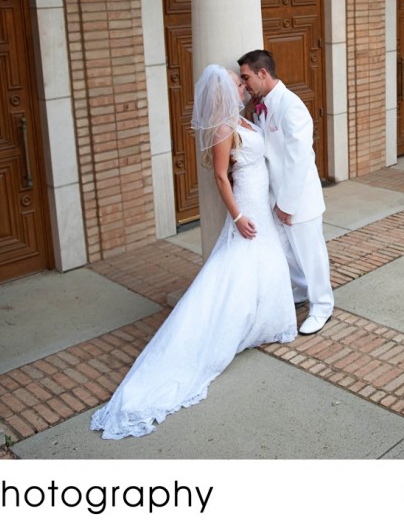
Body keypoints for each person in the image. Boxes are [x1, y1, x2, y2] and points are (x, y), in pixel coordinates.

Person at [90, 64, 297, 440]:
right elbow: (221, 175)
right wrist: (237, 217)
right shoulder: (223, 128)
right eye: (238, 83)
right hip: (246, 206)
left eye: (242, 80)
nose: (242, 86)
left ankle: (260, 323)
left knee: (263, 263)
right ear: (225, 91)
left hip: (261, 199)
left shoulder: (245, 121)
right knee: (236, 266)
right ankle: (220, 331)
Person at [238, 49, 333, 335]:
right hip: (274, 198)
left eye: (247, 78)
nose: (245, 85)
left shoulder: (291, 106)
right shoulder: (264, 105)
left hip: (298, 199)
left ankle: (322, 305)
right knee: (288, 254)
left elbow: (298, 159)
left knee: (310, 253)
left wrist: (287, 204)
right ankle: (303, 291)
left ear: (263, 73)